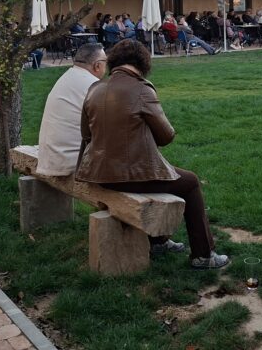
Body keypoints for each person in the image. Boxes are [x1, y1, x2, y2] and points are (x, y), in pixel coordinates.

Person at [75, 40, 229, 269]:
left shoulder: (94, 89)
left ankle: (158, 241)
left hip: (98, 174)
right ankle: (204, 255)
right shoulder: (142, 89)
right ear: (143, 63)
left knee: (161, 176)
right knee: (190, 182)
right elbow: (166, 136)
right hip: (128, 176)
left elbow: (86, 134)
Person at [36, 44, 107, 176]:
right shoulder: (93, 85)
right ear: (97, 65)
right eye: (105, 62)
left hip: (51, 158)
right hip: (70, 162)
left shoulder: (68, 76)